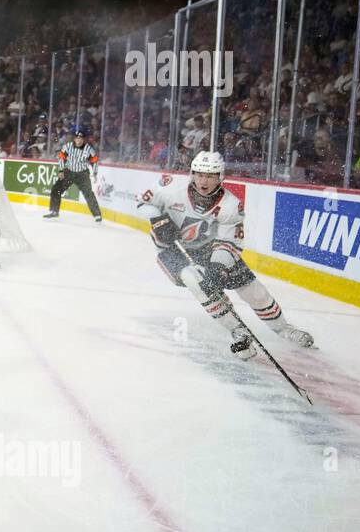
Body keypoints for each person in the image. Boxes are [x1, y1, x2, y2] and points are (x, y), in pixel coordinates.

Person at [139, 151, 314, 360]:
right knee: (195, 280)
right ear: (192, 174)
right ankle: (238, 331)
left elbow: (229, 241)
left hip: (210, 249)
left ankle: (283, 328)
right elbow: (142, 202)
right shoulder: (170, 186)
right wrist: (157, 219)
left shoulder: (231, 205)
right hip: (171, 248)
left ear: (220, 177)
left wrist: (218, 267)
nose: (204, 181)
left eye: (211, 176)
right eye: (200, 174)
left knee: (252, 289)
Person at [45, 127, 102, 221]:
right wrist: (61, 170)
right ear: (74, 139)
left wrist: (95, 173)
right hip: (69, 172)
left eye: (81, 138)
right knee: (56, 189)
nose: (79, 140)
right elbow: (61, 158)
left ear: (84, 139)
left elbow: (95, 161)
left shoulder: (88, 149)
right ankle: (54, 211)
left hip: (82, 174)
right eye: (77, 138)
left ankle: (97, 215)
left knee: (88, 193)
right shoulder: (68, 146)